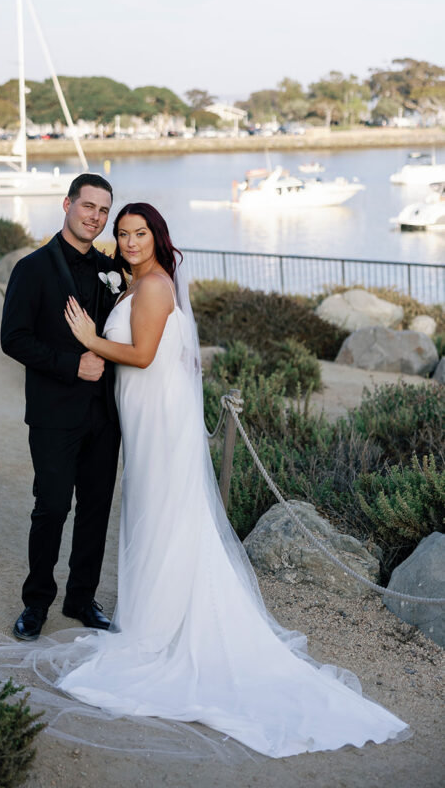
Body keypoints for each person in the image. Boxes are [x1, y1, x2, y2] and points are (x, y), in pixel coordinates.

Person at [54, 201, 408, 758]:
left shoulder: (153, 287)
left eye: (138, 233)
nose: (128, 242)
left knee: (163, 512)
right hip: (148, 413)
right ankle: (155, 616)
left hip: (157, 415)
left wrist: (87, 336)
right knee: (158, 512)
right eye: (122, 234)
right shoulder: (141, 281)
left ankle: (161, 626)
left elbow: (143, 355)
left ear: (157, 236)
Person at [0, 173, 121, 642]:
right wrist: (73, 366)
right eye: (87, 206)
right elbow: (13, 339)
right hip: (54, 413)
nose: (95, 217)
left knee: (96, 508)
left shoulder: (113, 270)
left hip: (105, 416)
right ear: (66, 204)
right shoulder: (31, 268)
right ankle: (36, 603)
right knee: (51, 508)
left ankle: (81, 598)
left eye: (103, 210)